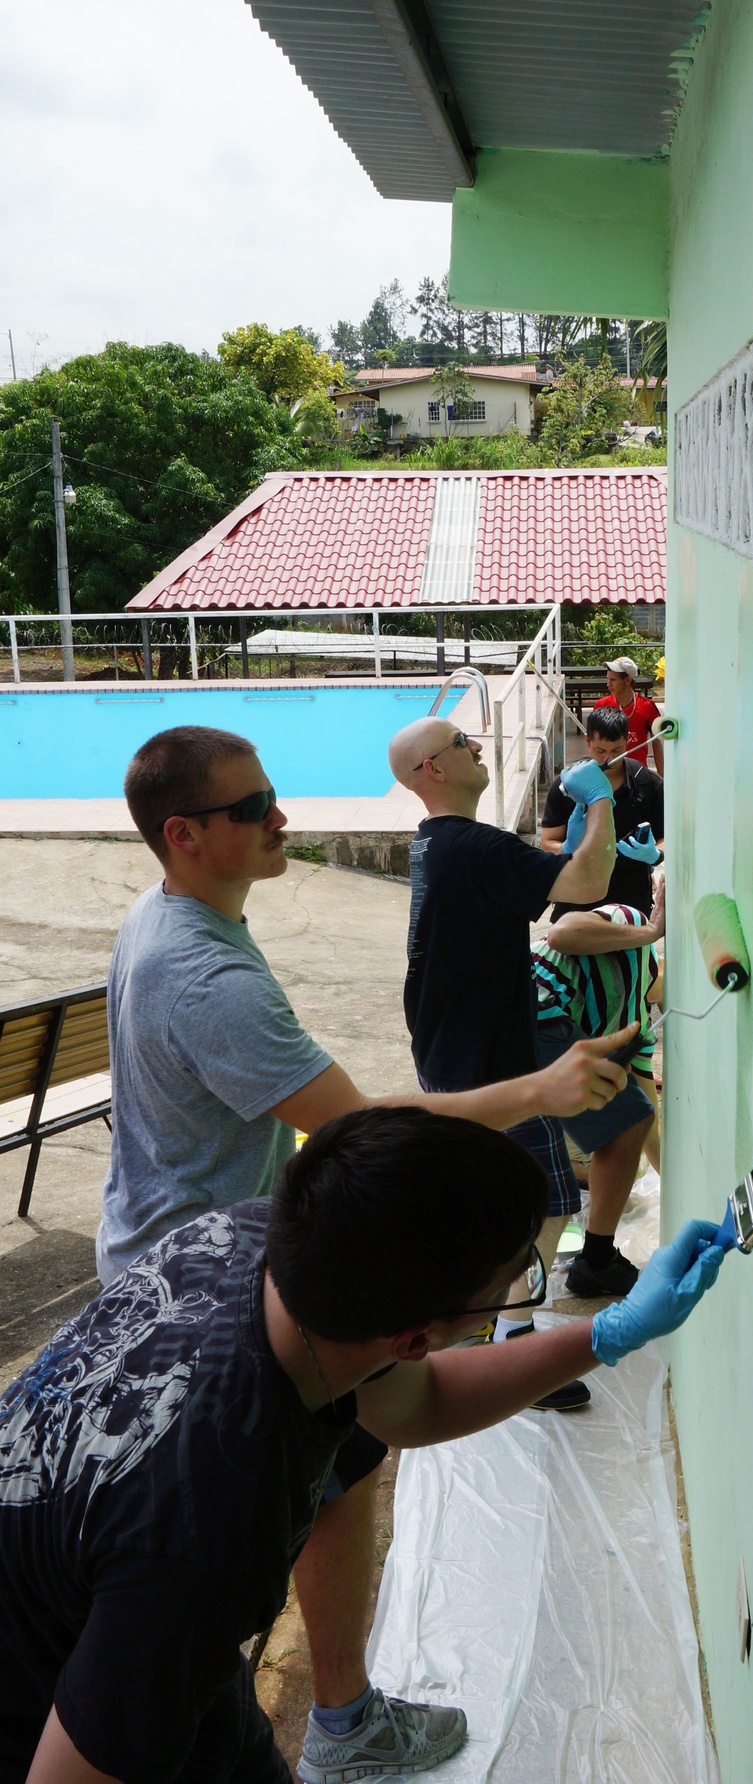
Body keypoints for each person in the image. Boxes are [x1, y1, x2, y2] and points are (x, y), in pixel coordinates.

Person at [96, 725, 630, 1784]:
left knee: (341, 1463)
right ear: (185, 833)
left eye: (273, 794)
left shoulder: (176, 918)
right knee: (310, 1484)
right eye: (253, 808)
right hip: (210, 1280)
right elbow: (352, 1127)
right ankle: (333, 1723)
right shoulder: (206, 975)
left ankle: (333, 1715)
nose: (279, 817)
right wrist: (537, 1091)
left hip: (190, 1243)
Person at [0, 1106, 725, 1784]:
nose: (522, 1287)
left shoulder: (259, 1240)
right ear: (414, 1336)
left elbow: (419, 1401)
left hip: (89, 1596)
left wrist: (611, 1333)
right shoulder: (211, 1528)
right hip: (46, 1695)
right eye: (518, 1280)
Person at [387, 717, 651, 1372]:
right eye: (461, 742)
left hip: (486, 1038)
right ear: (434, 770)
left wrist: (608, 832)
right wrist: (600, 801)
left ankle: (580, 1268)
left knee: (617, 1128)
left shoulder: (441, 843)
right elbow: (586, 885)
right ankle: (514, 1337)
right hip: (482, 1055)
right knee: (543, 1202)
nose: (478, 746)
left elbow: (574, 872)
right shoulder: (469, 845)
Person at [533, 887, 666, 1293]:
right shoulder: (632, 927)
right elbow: (561, 933)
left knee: (629, 1126)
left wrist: (682, 1190)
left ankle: (584, 1263)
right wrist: (651, 933)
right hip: (531, 1009)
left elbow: (646, 1122)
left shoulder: (636, 1025)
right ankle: (596, 1260)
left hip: (514, 1030)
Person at [540, 706, 664, 919]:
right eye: (601, 751)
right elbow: (548, 843)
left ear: (627, 741)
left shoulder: (648, 783)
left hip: (631, 903)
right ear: (587, 741)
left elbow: (665, 838)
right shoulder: (566, 786)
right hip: (577, 901)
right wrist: (569, 848)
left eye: (617, 750)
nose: (609, 759)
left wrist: (654, 854)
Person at [593, 656, 664, 775]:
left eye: (613, 680)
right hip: (608, 774)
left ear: (627, 680)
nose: (608, 684)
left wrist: (661, 775)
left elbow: (656, 742)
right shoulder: (601, 705)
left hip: (637, 773)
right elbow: (593, 742)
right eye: (608, 679)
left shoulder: (647, 706)